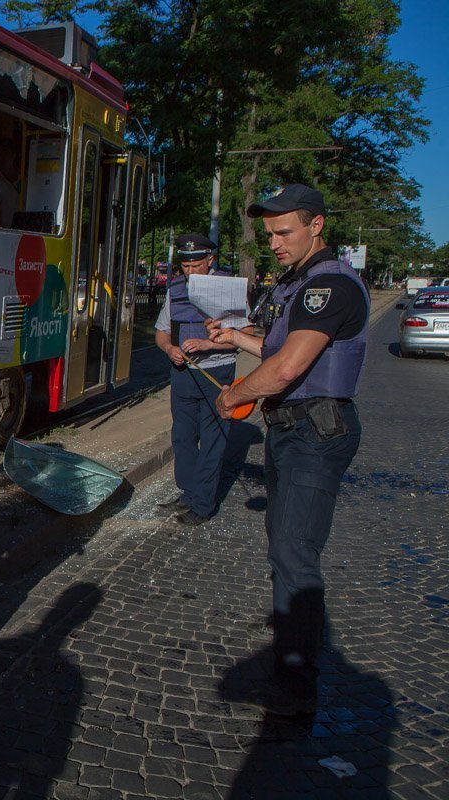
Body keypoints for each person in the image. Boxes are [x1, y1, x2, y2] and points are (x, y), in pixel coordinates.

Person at [206, 184, 368, 713]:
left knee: (295, 554)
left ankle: (295, 690)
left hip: (314, 433)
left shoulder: (329, 286)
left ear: (316, 225)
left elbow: (289, 368)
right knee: (283, 548)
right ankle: (289, 666)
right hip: (291, 430)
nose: (274, 242)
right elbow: (280, 349)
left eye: (284, 232)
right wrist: (236, 340)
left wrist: (234, 394)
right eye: (270, 234)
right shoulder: (299, 283)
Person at [153, 233, 243, 525]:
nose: (189, 271)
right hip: (182, 373)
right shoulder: (175, 287)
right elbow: (161, 331)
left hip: (217, 372)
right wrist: (169, 349)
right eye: (185, 265)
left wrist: (207, 344)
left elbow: (244, 337)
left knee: (212, 438)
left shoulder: (228, 288)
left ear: (210, 259)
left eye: (195, 265)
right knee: (183, 437)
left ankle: (203, 504)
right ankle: (189, 492)